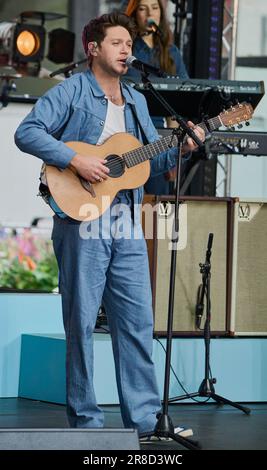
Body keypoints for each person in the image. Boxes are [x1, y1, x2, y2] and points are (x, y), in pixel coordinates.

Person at [15, 12, 203, 435]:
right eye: (117, 43)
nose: (126, 50)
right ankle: (86, 423)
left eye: (128, 44)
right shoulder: (72, 91)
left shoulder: (137, 100)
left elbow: (149, 162)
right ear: (93, 48)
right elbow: (27, 131)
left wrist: (185, 145)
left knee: (137, 323)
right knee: (81, 324)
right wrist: (75, 158)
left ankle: (146, 420)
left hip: (127, 221)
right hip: (82, 218)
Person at [125, 0, 189, 195]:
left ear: (161, 13)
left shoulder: (172, 53)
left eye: (154, 7)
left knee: (153, 208)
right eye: (143, 9)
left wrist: (174, 152)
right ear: (135, 14)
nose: (149, 13)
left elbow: (181, 99)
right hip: (126, 134)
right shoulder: (127, 49)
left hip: (157, 137)